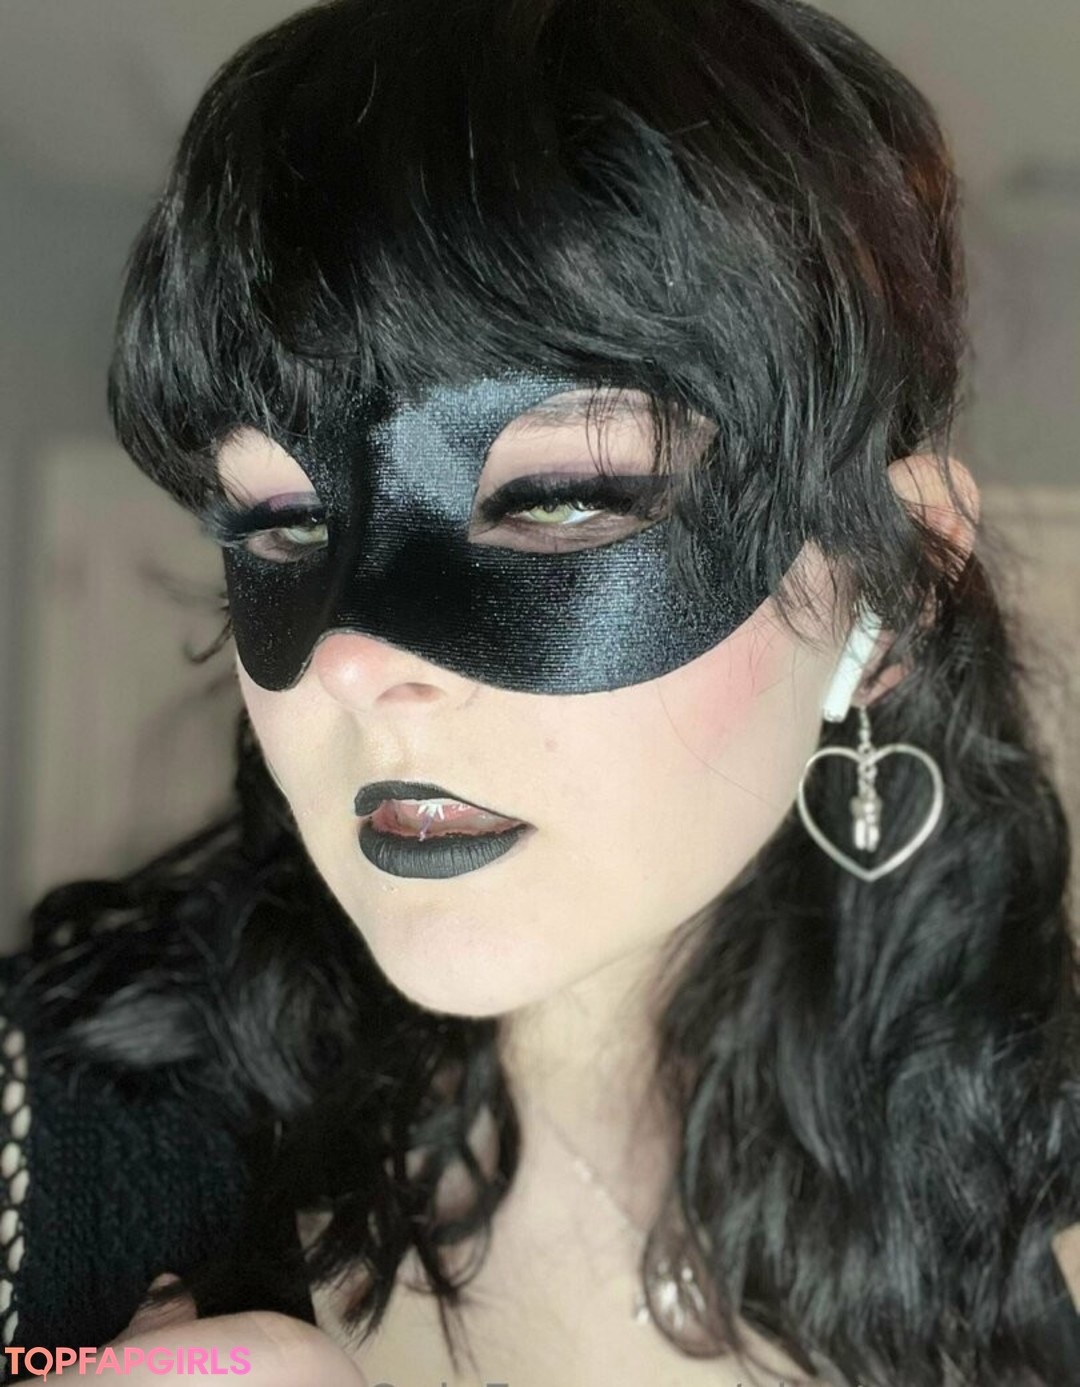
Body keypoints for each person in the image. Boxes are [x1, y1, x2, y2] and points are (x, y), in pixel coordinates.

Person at [1, 0, 1078, 1382]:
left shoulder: (1038, 1221)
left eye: (561, 501)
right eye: (283, 524)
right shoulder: (53, 1145)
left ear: (898, 586)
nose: (349, 660)